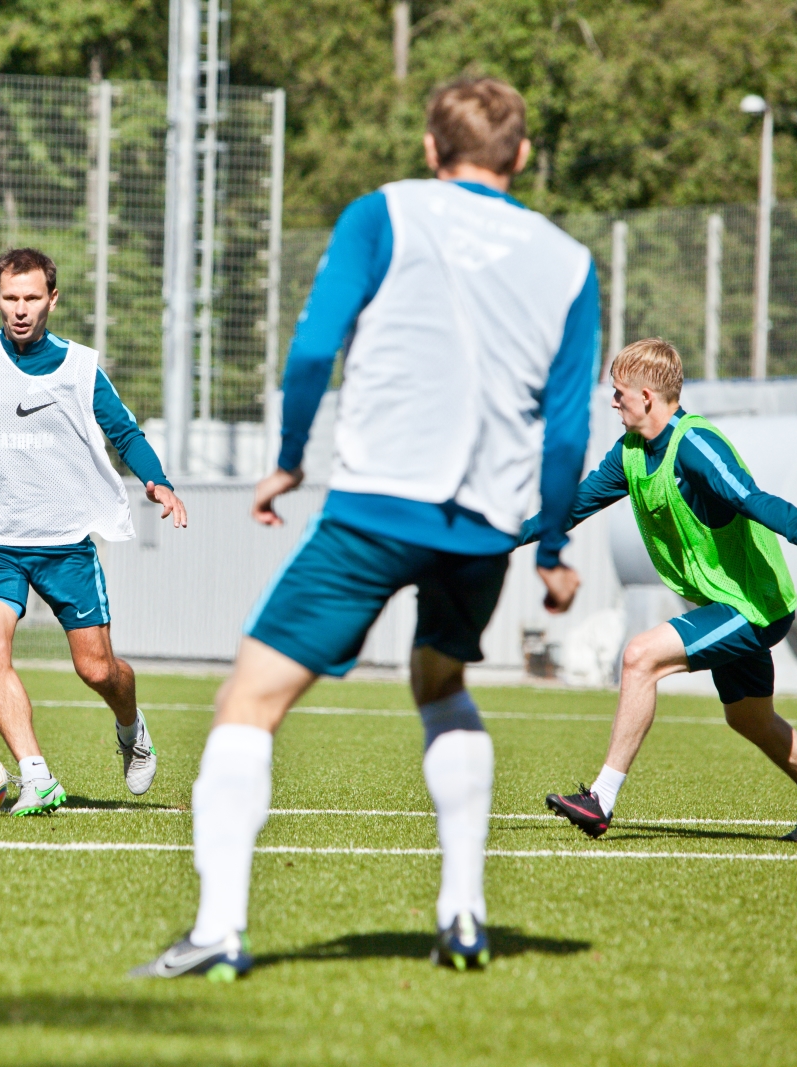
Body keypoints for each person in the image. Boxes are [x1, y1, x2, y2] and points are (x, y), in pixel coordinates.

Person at [134, 76, 597, 980]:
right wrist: (550, 545)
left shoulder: (383, 212)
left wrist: (290, 457)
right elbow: (570, 424)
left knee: (249, 701)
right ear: (523, 156)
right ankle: (463, 914)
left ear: (431, 147)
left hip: (379, 505)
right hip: (485, 525)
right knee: (442, 680)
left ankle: (219, 929)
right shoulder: (569, 258)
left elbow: (313, 348)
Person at [540, 338, 797, 842]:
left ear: (647, 396)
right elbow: (572, 506)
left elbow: (752, 498)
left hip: (755, 605)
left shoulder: (695, 445)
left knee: (639, 656)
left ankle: (600, 799)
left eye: (619, 392)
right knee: (749, 718)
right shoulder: (630, 453)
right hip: (727, 604)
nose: (612, 402)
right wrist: (496, 537)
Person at [0, 248, 186, 815]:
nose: (21, 310)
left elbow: (124, 434)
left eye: (32, 298)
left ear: (52, 299)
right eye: (11, 298)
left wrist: (157, 481)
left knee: (97, 669)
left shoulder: (81, 368)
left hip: (65, 547)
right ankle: (36, 775)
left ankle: (131, 726)